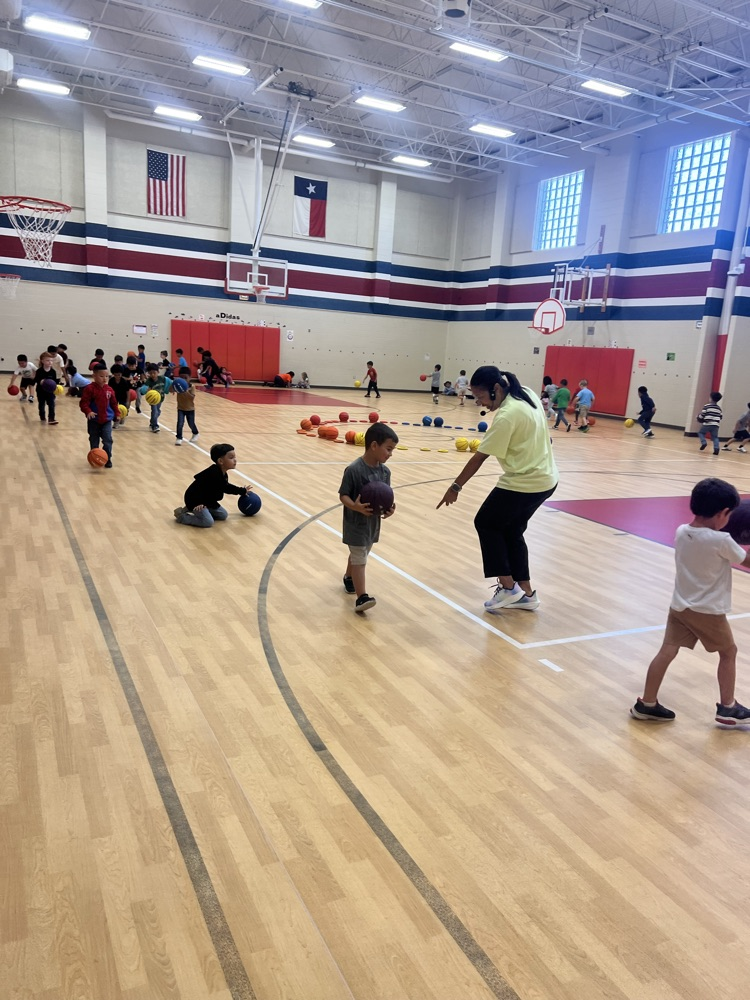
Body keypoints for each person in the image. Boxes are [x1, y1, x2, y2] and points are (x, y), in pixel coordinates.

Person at [437, 366, 558, 613]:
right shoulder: (526, 393)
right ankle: (526, 593)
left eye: (480, 397)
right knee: (512, 530)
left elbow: (478, 458)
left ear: (496, 389)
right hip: (547, 479)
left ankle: (507, 587)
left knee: (486, 523)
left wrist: (455, 487)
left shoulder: (506, 416)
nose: (479, 402)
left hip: (525, 482)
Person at [631, 477, 750, 726]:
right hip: (707, 610)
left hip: (680, 605)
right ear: (723, 513)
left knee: (667, 650)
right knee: (729, 652)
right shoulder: (721, 541)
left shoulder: (682, 531)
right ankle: (728, 707)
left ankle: (647, 703)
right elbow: (744, 560)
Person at [339, 422, 397, 613]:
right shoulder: (354, 469)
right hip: (355, 523)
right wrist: (354, 506)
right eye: (388, 449)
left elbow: (385, 495)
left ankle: (349, 577)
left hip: (372, 523)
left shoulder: (385, 472)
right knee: (360, 557)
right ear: (374, 446)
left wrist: (389, 509)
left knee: (362, 553)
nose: (390, 454)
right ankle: (361, 597)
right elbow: (343, 495)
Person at [173, 443, 256, 527]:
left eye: (235, 457)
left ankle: (198, 511)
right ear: (220, 461)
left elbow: (224, 486)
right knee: (208, 522)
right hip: (196, 500)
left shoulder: (222, 473)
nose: (235, 460)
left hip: (208, 500)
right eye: (231, 457)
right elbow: (226, 487)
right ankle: (182, 516)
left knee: (223, 515)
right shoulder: (214, 473)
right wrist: (242, 491)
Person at [80, 364, 119, 467]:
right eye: (101, 376)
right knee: (94, 439)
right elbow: (83, 403)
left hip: (106, 420)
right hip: (94, 420)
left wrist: (117, 414)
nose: (104, 378)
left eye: (107, 376)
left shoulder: (109, 390)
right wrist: (88, 411)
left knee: (107, 439)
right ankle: (95, 457)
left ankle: (107, 458)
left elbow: (114, 403)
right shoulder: (89, 389)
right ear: (94, 376)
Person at [172, 377, 199, 446]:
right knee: (180, 423)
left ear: (189, 378)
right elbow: (170, 390)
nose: (184, 379)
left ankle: (195, 433)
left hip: (190, 409)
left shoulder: (192, 387)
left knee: (191, 423)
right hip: (180, 408)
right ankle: (179, 438)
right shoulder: (178, 385)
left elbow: (192, 397)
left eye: (185, 377)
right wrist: (173, 385)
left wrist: (185, 390)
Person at [34, 353, 59, 424]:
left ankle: (51, 418)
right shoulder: (39, 371)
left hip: (50, 392)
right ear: (42, 361)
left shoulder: (53, 372)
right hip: (41, 392)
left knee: (51, 405)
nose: (50, 362)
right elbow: (35, 380)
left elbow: (55, 381)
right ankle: (42, 416)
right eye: (47, 360)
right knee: (42, 405)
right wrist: (40, 381)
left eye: (51, 360)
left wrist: (56, 387)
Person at [697, 390, 723, 455]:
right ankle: (716, 448)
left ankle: (704, 442)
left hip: (707, 423)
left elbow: (702, 415)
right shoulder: (719, 408)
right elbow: (721, 417)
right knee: (715, 437)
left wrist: (698, 417)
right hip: (716, 425)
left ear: (711, 398)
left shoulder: (707, 406)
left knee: (701, 433)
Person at [143, 364, 167, 432]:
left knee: (157, 411)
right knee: (155, 411)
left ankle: (152, 422)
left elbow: (168, 384)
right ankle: (155, 426)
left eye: (154, 373)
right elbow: (145, 388)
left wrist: (171, 390)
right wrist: (147, 390)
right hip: (153, 399)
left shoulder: (162, 379)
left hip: (161, 398)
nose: (153, 375)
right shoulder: (149, 381)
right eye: (150, 373)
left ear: (158, 372)